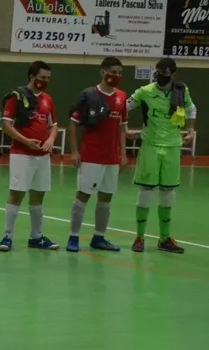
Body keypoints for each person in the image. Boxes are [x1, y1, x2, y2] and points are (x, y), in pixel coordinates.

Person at [127, 57, 196, 254]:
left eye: (165, 73)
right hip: (150, 145)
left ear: (173, 73)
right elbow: (124, 107)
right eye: (158, 72)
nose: (161, 76)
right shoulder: (145, 91)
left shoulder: (181, 90)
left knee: (168, 192)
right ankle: (139, 237)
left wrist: (190, 131)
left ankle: (164, 239)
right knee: (146, 190)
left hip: (172, 146)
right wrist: (124, 130)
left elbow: (191, 109)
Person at [65, 57, 127, 253]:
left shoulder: (122, 97)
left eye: (120, 73)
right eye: (113, 72)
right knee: (83, 196)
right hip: (91, 155)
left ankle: (99, 237)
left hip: (112, 157)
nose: (117, 76)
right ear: (103, 72)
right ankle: (73, 237)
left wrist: (123, 153)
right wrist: (75, 151)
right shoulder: (89, 95)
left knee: (106, 198)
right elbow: (73, 123)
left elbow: (122, 127)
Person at [0, 61, 59, 252]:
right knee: (17, 193)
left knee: (38, 195)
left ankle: (36, 237)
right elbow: (6, 125)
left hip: (43, 156)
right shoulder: (16, 96)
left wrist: (50, 140)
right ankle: (7, 236)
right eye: (42, 77)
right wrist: (26, 141)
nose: (46, 81)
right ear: (32, 77)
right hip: (22, 154)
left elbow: (53, 125)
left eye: (48, 78)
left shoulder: (48, 99)